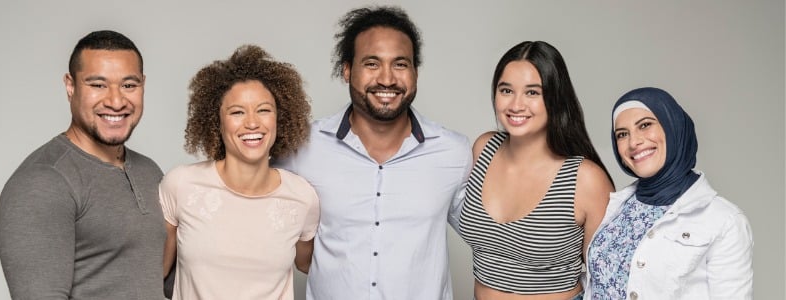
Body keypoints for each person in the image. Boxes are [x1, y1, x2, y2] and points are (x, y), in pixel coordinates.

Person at [274, 5, 472, 300]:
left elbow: (494, 239)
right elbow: (250, 214)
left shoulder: (454, 153)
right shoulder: (302, 148)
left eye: (400, 64)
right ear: (346, 70)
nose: (387, 79)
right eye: (372, 64)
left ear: (415, 71)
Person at [0, 30, 165, 299]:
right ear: (70, 86)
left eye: (129, 85)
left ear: (143, 85)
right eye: (98, 85)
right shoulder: (43, 181)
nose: (116, 101)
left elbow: (167, 283)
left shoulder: (149, 172)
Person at [159, 44, 318, 300]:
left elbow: (313, 266)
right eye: (237, 112)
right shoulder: (181, 185)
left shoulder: (302, 196)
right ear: (216, 121)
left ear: (280, 117)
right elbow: (151, 276)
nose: (252, 122)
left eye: (264, 110)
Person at [458, 41, 614, 300]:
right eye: (506, 90)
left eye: (532, 93)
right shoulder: (483, 148)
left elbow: (608, 279)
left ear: (555, 98)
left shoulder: (586, 180)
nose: (516, 105)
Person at [584, 87, 754, 299]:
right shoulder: (617, 206)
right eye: (622, 134)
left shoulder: (725, 221)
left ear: (672, 127)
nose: (633, 142)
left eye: (645, 125)